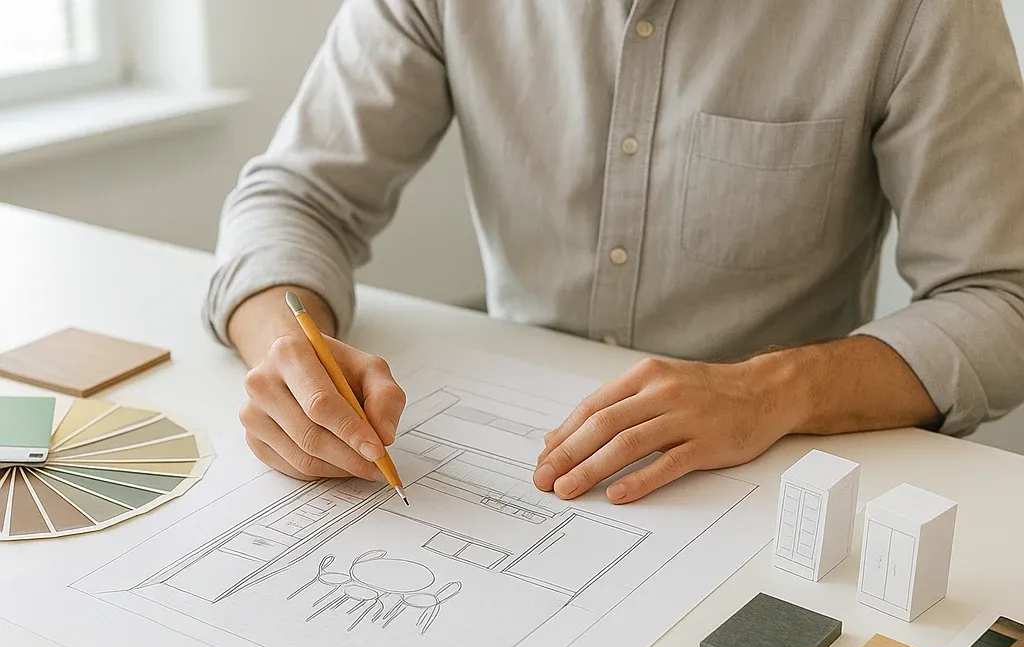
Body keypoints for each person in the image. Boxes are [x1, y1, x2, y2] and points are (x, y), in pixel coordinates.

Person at [206, 0, 1024, 505]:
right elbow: (295, 198)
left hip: (784, 476)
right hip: (518, 457)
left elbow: (1002, 295)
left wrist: (769, 392)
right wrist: (288, 352)